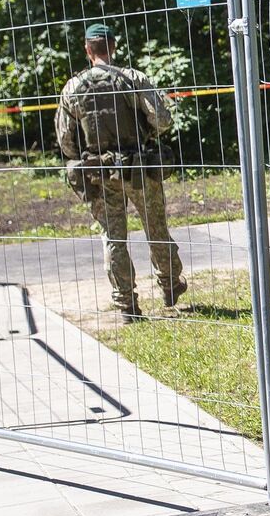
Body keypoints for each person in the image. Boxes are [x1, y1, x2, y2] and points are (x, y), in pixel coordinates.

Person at [56, 23, 186, 318]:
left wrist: (87, 156)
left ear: (88, 50)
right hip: (140, 169)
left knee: (113, 237)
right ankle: (169, 285)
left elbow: (65, 139)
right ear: (113, 47)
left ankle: (126, 303)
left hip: (101, 175)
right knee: (156, 228)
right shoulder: (133, 78)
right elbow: (162, 119)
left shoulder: (73, 87)